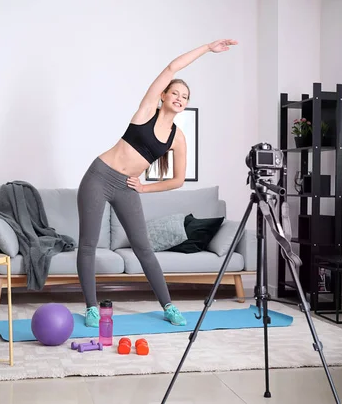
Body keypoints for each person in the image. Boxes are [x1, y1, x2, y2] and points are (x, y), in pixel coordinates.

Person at [76, 39, 238, 327]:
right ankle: (91, 308)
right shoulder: (147, 110)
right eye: (174, 92)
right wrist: (207, 48)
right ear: (163, 96)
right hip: (99, 176)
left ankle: (168, 306)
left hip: (126, 186)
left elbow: (176, 180)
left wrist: (144, 187)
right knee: (87, 245)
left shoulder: (178, 138)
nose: (179, 97)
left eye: (184, 96)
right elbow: (172, 66)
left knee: (143, 248)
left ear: (186, 104)